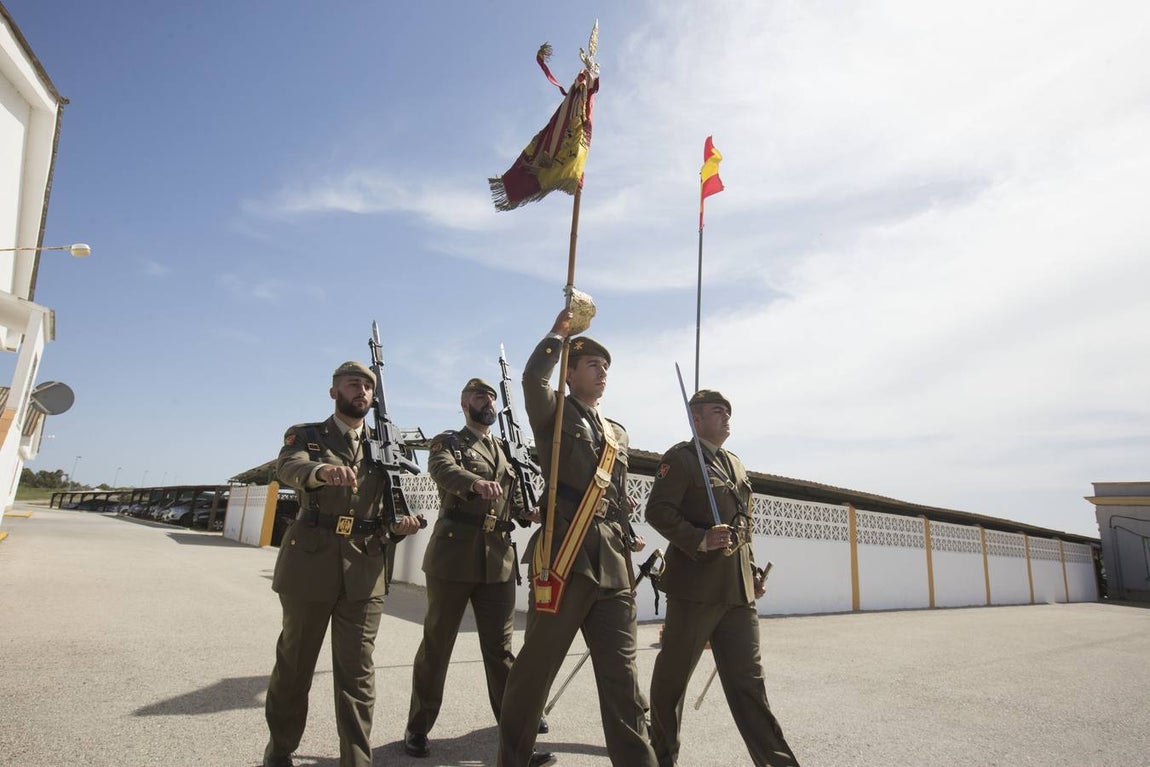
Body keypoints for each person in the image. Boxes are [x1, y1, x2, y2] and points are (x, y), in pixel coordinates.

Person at [497, 308, 657, 767]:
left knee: (622, 678)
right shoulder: (553, 412)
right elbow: (531, 379)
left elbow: (615, 493)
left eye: (606, 367)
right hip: (564, 556)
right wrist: (558, 334)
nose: (602, 371)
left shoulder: (617, 433)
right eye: (592, 364)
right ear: (568, 373)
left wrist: (627, 532)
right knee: (535, 669)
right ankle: (512, 758)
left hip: (610, 561)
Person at [263, 361, 424, 767]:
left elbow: (396, 502)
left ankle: (356, 760)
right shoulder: (309, 435)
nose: (362, 392)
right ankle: (280, 749)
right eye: (353, 385)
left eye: (368, 387)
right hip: (310, 562)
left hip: (365, 568)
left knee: (357, 676)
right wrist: (320, 471)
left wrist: (402, 524)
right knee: (295, 665)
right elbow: (289, 466)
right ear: (334, 392)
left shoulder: (387, 445)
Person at [645, 390, 799, 767]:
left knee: (750, 687)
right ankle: (661, 759)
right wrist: (699, 538)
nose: (727, 417)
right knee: (672, 683)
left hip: (738, 593)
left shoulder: (736, 465)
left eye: (728, 411)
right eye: (717, 411)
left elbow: (743, 527)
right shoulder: (681, 459)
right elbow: (657, 511)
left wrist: (751, 572)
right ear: (696, 420)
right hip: (695, 589)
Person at [404, 377, 550, 759]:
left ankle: (517, 738)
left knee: (501, 651)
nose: (486, 401)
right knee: (438, 645)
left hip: (498, 559)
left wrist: (528, 512)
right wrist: (475, 483)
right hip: (454, 555)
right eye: (478, 396)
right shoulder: (448, 442)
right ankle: (417, 728)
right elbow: (441, 470)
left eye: (490, 397)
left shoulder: (504, 450)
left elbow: (514, 499)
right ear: (464, 403)